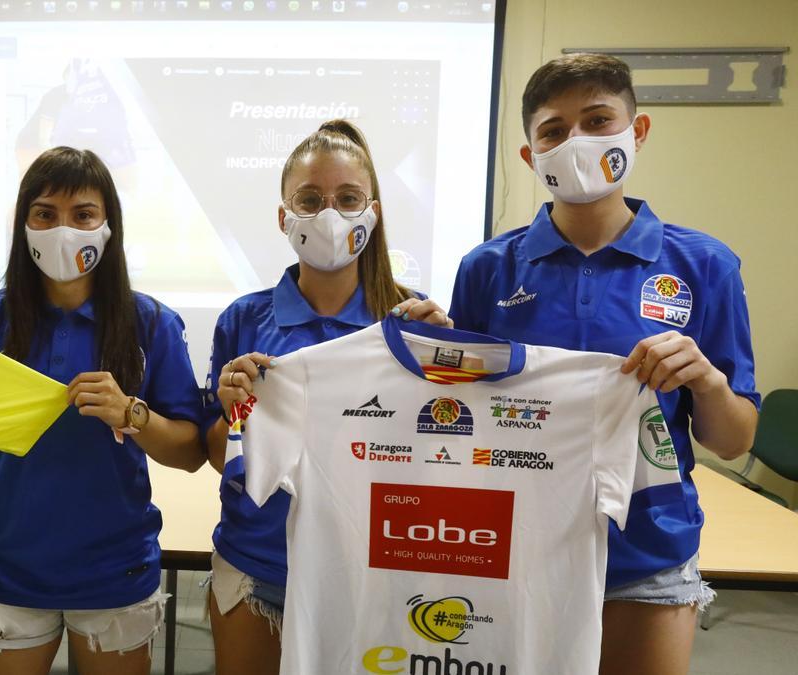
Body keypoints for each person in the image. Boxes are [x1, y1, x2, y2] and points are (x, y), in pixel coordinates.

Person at [449, 53, 758, 675]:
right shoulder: (488, 268)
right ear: (530, 156)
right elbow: (460, 418)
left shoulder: (705, 266)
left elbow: (732, 440)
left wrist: (706, 379)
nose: (576, 143)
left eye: (597, 120)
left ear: (635, 132)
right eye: (554, 132)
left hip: (649, 547)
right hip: (516, 546)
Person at [203, 119, 451, 675]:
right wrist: (235, 410)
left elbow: (447, 452)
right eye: (310, 200)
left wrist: (451, 368)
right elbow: (223, 457)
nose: (330, 215)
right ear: (284, 216)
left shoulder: (414, 318)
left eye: (347, 198)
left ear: (375, 210)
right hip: (260, 564)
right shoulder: (244, 320)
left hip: (375, 569)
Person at [0, 146, 206, 675]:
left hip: (114, 570)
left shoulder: (152, 324)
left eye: (83, 214)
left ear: (107, 225)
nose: (62, 229)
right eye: (45, 213)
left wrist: (131, 414)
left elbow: (188, 452)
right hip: (7, 568)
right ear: (24, 223)